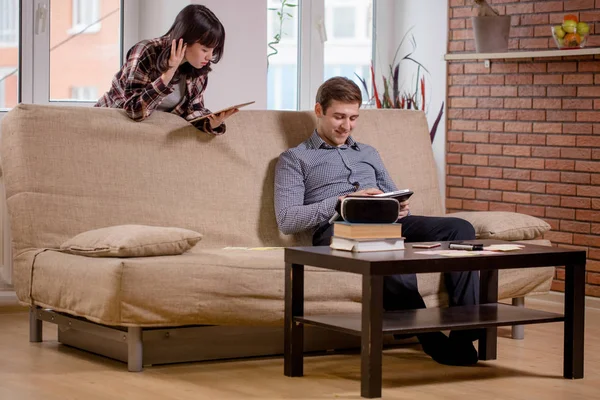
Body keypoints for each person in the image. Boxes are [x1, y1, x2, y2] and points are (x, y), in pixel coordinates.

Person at [274, 76, 480, 366]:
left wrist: (397, 206)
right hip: (339, 229)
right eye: (339, 117)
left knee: (461, 228)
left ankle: (464, 332)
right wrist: (342, 202)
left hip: (384, 222)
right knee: (383, 246)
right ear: (319, 110)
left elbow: (391, 191)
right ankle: (430, 339)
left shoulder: (368, 153)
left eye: (353, 118)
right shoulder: (295, 159)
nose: (346, 126)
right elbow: (287, 219)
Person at [95, 4, 237, 135]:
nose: (209, 57)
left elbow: (193, 110)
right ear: (185, 41)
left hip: (147, 135)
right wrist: (168, 73)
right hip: (106, 126)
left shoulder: (197, 68)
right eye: (205, 49)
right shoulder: (146, 51)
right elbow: (134, 111)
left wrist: (211, 123)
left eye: (213, 50)